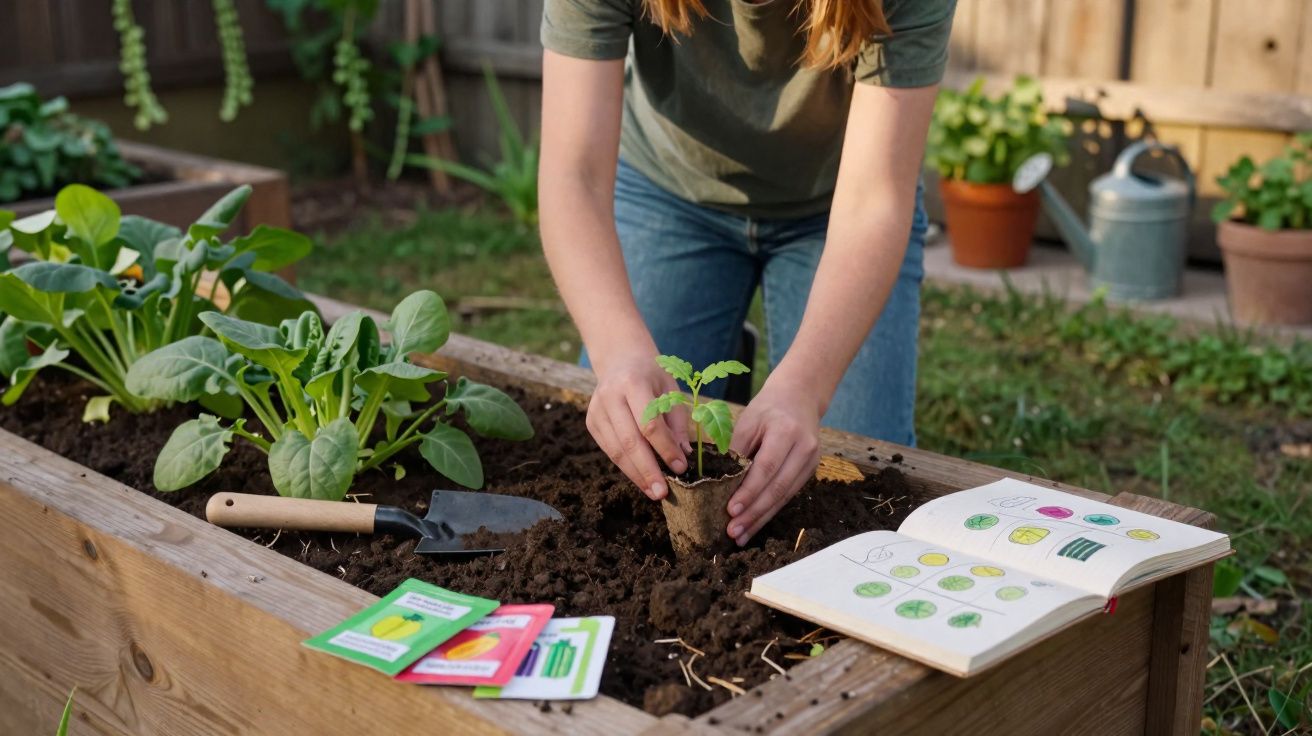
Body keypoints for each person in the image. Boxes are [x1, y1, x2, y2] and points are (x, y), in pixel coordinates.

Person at [538, 0, 956, 546]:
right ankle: (720, 346)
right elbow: (574, 175)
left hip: (840, 205)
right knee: (631, 442)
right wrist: (619, 352)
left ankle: (731, 352)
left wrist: (805, 387)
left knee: (858, 482)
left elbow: (873, 200)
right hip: (669, 189)